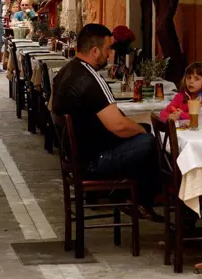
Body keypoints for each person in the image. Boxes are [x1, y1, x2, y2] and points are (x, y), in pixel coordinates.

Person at [52, 23, 162, 220]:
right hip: (93, 161)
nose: (109, 54)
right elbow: (118, 126)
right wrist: (143, 131)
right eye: (107, 49)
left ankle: (131, 196)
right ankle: (140, 199)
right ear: (94, 51)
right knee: (150, 141)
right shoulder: (90, 79)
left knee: (142, 133)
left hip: (76, 155)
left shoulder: (66, 71)